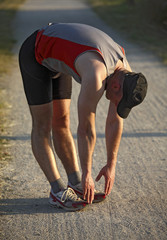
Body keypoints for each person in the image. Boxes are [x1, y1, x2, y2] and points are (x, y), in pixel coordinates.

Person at [19, 23, 147, 211]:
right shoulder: (96, 74)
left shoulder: (125, 71)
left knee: (62, 121)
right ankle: (56, 190)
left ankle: (75, 183)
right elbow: (86, 130)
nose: (115, 105)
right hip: (36, 52)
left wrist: (111, 165)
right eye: (119, 102)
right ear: (116, 87)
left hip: (57, 55)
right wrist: (89, 173)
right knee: (42, 125)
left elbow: (115, 120)